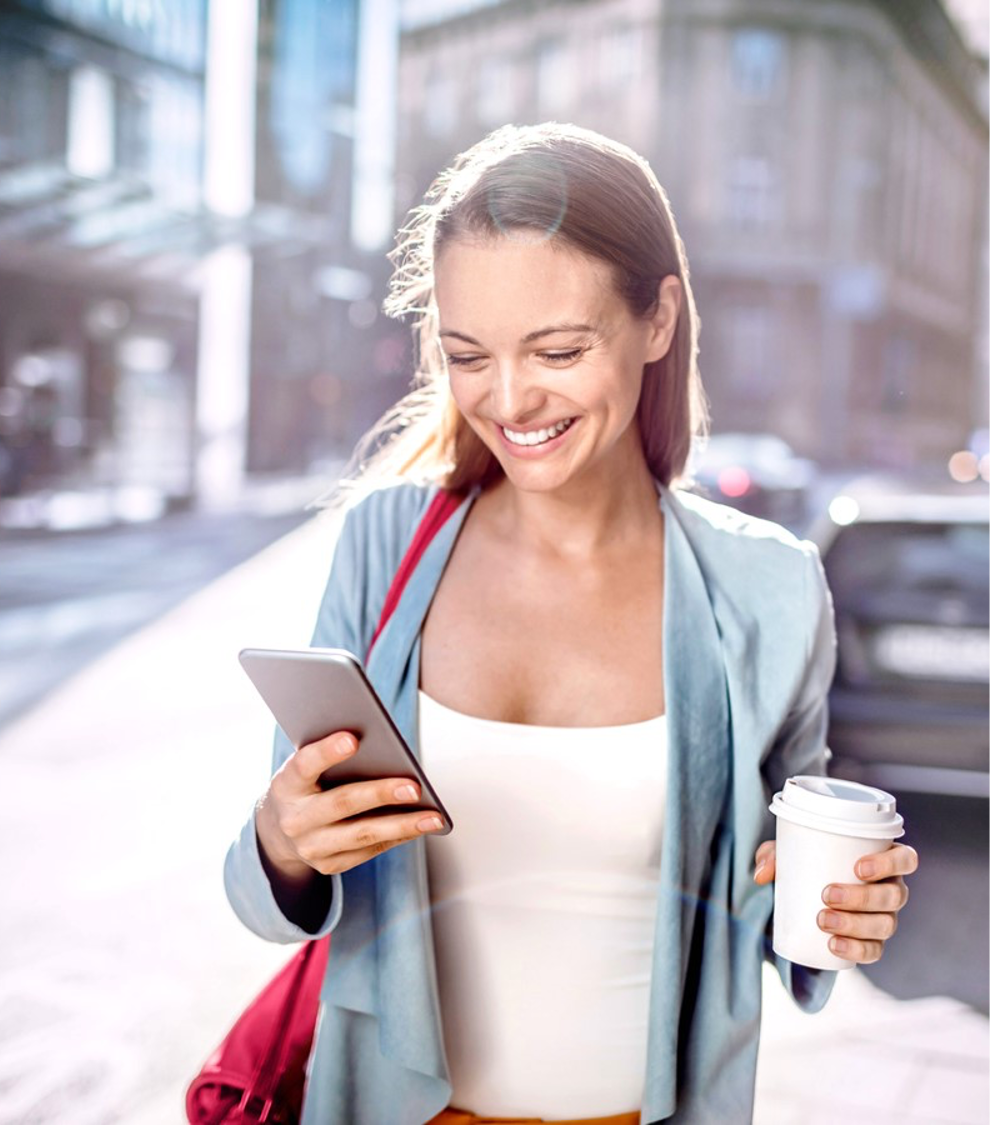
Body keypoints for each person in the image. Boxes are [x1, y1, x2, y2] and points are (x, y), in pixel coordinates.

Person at [222, 123, 918, 1125]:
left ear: (658, 318)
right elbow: (268, 887)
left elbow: (777, 908)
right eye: (468, 355)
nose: (508, 401)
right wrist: (284, 839)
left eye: (557, 349)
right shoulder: (385, 543)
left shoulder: (768, 587)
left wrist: (844, 909)